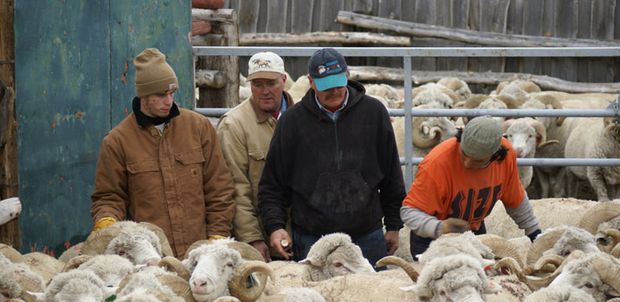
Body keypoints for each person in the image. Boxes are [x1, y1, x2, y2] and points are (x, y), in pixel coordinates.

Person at [258, 47, 406, 267]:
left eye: (338, 83)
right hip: (312, 237)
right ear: (311, 82)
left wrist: (394, 225)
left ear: (347, 75)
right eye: (326, 86)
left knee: (373, 296)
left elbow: (391, 172)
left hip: (366, 235)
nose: (334, 91)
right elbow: (272, 183)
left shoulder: (374, 113)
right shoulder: (292, 122)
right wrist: (275, 226)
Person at [91, 47, 235, 258]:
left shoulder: (198, 128)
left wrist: (217, 237)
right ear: (143, 95)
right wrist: (107, 223)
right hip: (150, 259)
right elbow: (109, 197)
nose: (169, 101)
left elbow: (219, 188)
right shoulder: (117, 141)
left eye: (171, 93)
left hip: (199, 257)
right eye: (160, 95)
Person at [401, 116, 542, 259]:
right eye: (464, 154)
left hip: (473, 231)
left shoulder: (505, 157)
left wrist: (534, 233)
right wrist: (439, 227)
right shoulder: (437, 164)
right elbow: (410, 212)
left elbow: (515, 199)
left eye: (477, 160)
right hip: (432, 239)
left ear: (495, 156)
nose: (467, 163)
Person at [217, 51, 294, 261]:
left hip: (303, 233)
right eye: (257, 84)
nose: (265, 91)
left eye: (271, 83)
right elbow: (235, 187)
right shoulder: (234, 125)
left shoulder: (304, 118)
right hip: (263, 236)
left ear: (284, 80)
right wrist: (253, 239)